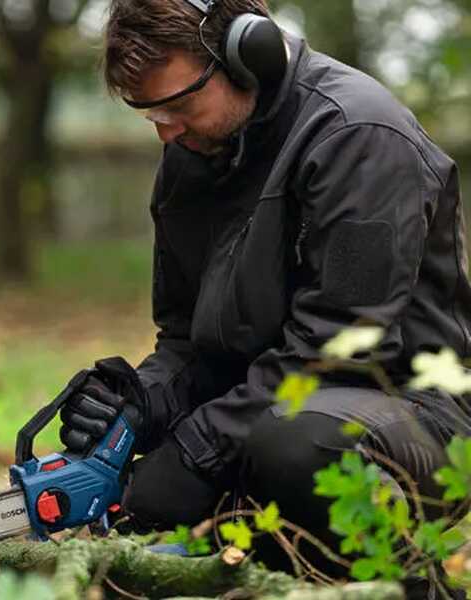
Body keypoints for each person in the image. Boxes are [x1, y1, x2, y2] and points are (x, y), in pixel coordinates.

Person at [56, 0, 471, 597]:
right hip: (263, 409)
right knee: (157, 506)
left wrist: (197, 451)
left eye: (178, 106)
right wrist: (139, 405)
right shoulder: (192, 154)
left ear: (247, 56)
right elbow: (186, 341)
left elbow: (338, 352)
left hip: (412, 411)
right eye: (150, 114)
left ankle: (412, 588)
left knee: (297, 443)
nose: (167, 131)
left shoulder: (358, 136)